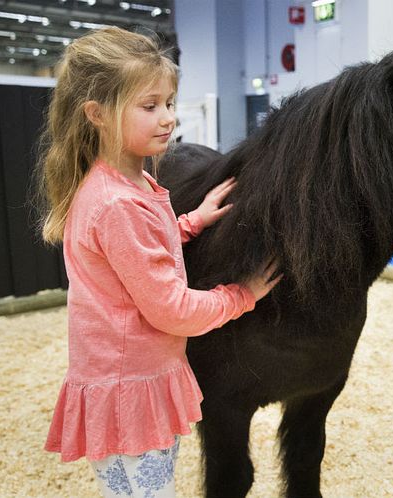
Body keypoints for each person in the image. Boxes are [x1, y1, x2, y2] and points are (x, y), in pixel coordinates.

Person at [35, 26, 279, 497]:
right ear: (97, 114)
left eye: (169, 102)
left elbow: (138, 253)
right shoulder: (118, 203)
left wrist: (191, 222)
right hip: (133, 387)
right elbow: (172, 310)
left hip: (113, 379)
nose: (167, 117)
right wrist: (242, 295)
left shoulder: (123, 184)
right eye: (150, 106)